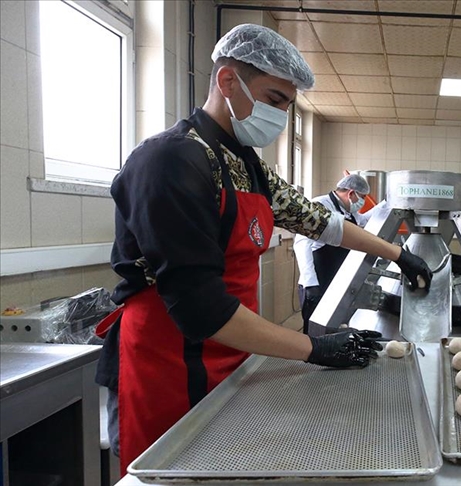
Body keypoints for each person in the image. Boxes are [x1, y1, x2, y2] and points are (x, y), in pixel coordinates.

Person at [94, 24, 432, 474]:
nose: (280, 117)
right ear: (227, 81)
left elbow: (321, 222)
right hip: (168, 359)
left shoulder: (247, 164)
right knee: (172, 472)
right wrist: (313, 346)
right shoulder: (172, 161)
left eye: (287, 106)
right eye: (274, 99)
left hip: (231, 350)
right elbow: (199, 307)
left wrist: (397, 253)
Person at [294, 174, 377, 334]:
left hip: (334, 282)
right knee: (315, 334)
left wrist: (386, 205)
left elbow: (363, 221)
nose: (363, 202)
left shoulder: (347, 211)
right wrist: (311, 283)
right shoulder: (320, 205)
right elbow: (302, 244)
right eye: (363, 198)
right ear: (351, 193)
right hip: (317, 282)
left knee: (332, 330)